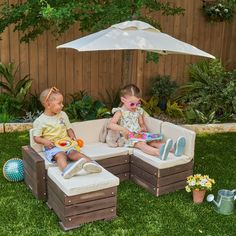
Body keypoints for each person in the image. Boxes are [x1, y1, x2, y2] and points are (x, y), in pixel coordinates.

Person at [33, 87, 102, 179]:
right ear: (48, 104)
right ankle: (67, 170)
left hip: (67, 143)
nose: (62, 106)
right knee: (60, 155)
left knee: (74, 153)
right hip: (53, 147)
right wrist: (45, 141)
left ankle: (91, 164)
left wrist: (73, 137)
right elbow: (36, 137)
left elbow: (69, 128)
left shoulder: (62, 114)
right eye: (59, 103)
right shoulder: (41, 121)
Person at [107, 84, 186, 160]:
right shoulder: (120, 112)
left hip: (140, 135)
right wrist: (123, 129)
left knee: (153, 142)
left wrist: (143, 128)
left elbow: (141, 123)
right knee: (142, 144)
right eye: (132, 104)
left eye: (137, 103)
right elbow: (110, 124)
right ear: (123, 100)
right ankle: (159, 153)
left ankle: (174, 149)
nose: (135, 106)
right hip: (129, 137)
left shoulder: (138, 110)